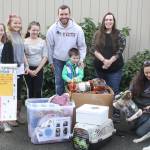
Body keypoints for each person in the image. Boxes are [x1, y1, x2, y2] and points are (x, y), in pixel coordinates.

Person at [46, 5, 86, 95]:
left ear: (69, 14)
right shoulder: (52, 29)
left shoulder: (77, 29)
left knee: (74, 82)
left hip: (74, 61)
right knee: (59, 83)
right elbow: (49, 47)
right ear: (58, 15)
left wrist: (81, 60)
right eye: (61, 14)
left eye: (66, 14)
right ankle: (60, 104)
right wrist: (51, 62)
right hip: (58, 60)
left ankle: (72, 102)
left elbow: (82, 46)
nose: (64, 16)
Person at [91, 12, 126, 95]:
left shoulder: (119, 34)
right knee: (99, 91)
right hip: (99, 69)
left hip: (115, 70)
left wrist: (109, 61)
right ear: (104, 21)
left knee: (113, 92)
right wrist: (104, 60)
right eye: (106, 19)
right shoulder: (97, 34)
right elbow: (93, 49)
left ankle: (112, 108)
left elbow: (121, 49)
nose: (108, 21)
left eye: (110, 19)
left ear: (113, 21)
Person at [7, 14, 27, 126]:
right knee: (11, 93)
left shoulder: (20, 35)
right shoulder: (8, 36)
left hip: (20, 68)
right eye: (15, 23)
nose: (17, 25)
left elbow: (22, 52)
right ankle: (9, 117)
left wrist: (25, 65)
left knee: (18, 92)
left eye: (19, 23)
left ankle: (17, 114)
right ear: (10, 24)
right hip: (11, 68)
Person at [24, 21, 48, 98]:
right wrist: (28, 68)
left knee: (38, 89)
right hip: (27, 69)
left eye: (37, 30)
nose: (35, 32)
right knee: (30, 89)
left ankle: (38, 109)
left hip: (39, 69)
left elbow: (45, 57)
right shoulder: (24, 41)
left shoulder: (42, 42)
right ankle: (30, 108)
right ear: (29, 30)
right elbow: (22, 55)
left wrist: (36, 70)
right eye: (33, 30)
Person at [129, 60, 150, 137]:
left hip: (148, 110)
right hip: (137, 108)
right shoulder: (138, 80)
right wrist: (128, 95)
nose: (148, 75)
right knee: (132, 127)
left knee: (140, 133)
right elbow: (130, 91)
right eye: (146, 73)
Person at [0, 23, 14, 132]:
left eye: (1, 30)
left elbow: (10, 60)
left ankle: (4, 123)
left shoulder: (8, 44)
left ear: (4, 31)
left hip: (5, 75)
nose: (0, 32)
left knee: (5, 99)